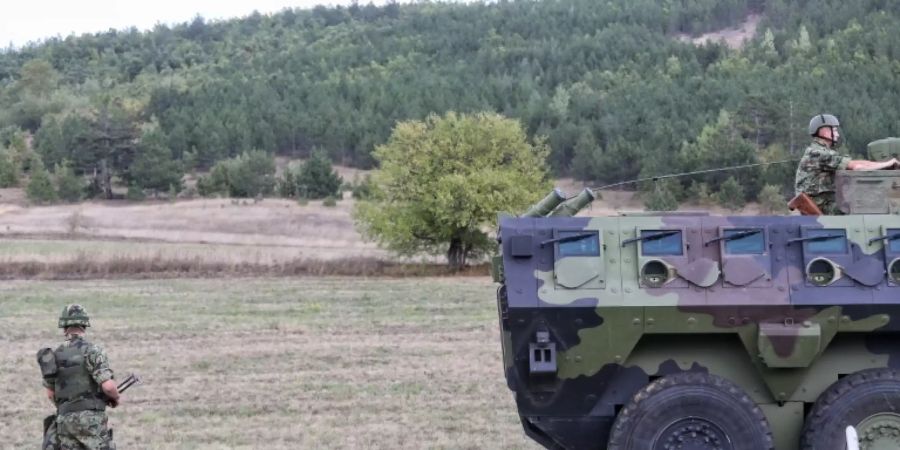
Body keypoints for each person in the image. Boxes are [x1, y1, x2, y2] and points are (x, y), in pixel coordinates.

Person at [38, 304, 119, 450]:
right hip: (91, 421)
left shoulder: (54, 355)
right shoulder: (92, 351)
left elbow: (50, 394)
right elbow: (108, 386)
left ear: (64, 327)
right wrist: (115, 397)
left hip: (64, 421)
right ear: (84, 325)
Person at [794, 114, 899, 214]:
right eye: (834, 130)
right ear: (825, 132)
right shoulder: (818, 153)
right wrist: (888, 163)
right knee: (866, 206)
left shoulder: (818, 151)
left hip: (823, 202)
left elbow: (853, 164)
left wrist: (881, 165)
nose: (837, 134)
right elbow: (857, 167)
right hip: (823, 205)